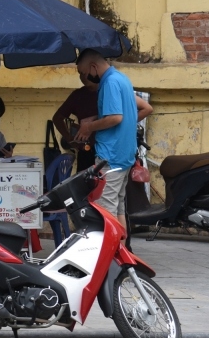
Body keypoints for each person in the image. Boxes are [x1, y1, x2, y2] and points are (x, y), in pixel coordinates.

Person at [74, 50, 138, 219]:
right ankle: (121, 246)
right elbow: (119, 112)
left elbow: (116, 117)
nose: (84, 77)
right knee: (118, 208)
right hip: (124, 155)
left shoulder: (109, 82)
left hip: (111, 155)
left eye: (84, 73)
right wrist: (95, 118)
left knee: (106, 211)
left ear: (93, 67)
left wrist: (89, 127)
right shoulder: (122, 78)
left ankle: (110, 246)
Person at [54, 72, 153, 173]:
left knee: (110, 185)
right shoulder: (78, 95)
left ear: (94, 70)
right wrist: (69, 139)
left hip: (112, 150)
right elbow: (57, 118)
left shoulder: (111, 90)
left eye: (86, 72)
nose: (83, 77)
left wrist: (124, 122)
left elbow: (147, 109)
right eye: (80, 73)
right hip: (88, 150)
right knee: (87, 186)